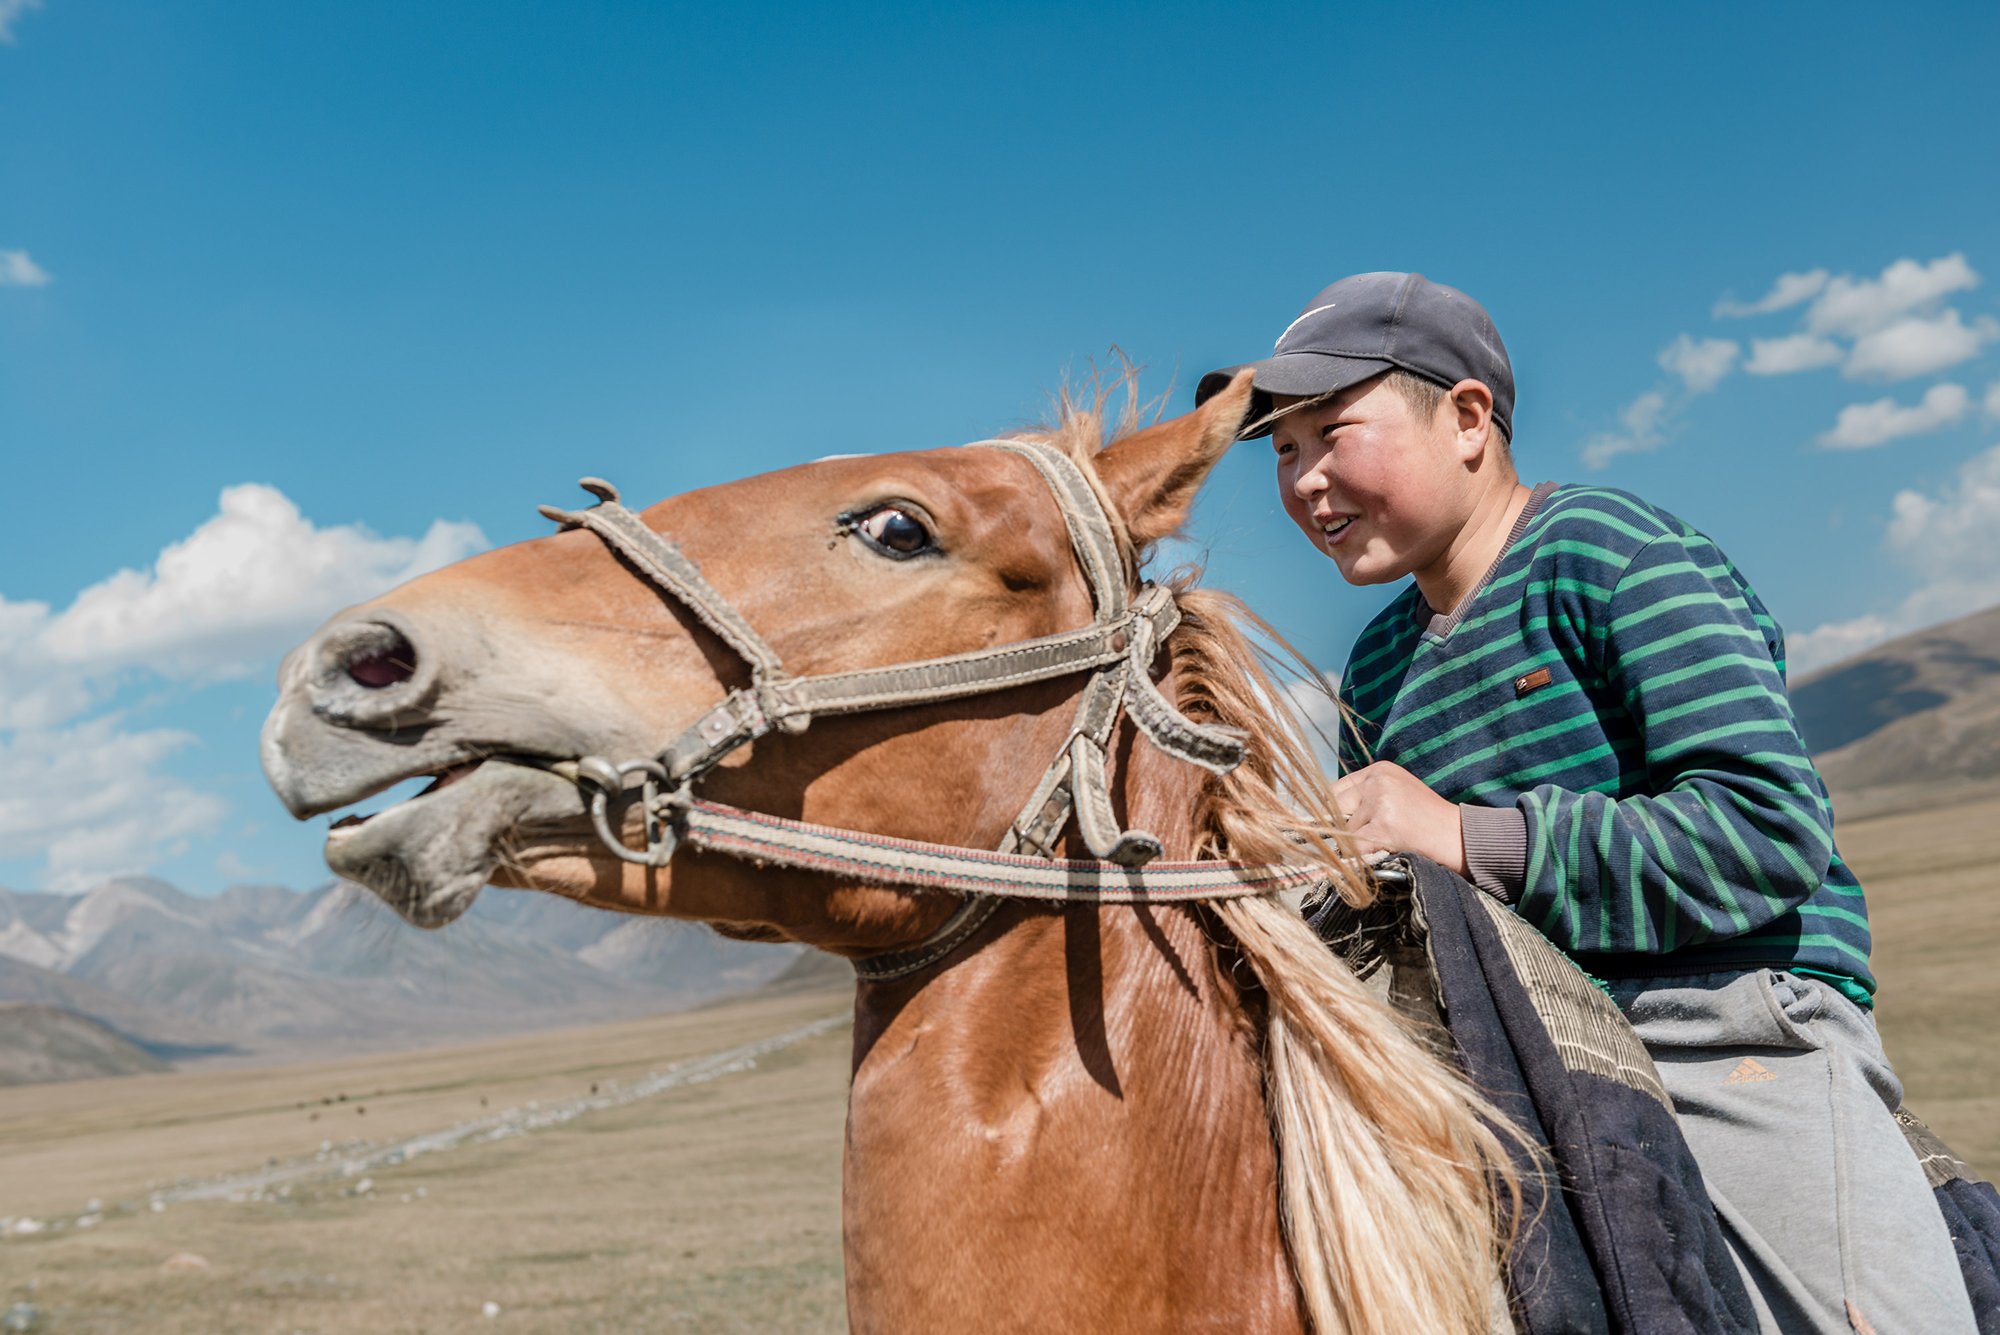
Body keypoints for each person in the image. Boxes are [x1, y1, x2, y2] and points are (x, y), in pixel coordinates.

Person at [1195, 272, 1977, 1334]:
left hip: (1724, 1024)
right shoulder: (1376, 665)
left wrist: (1461, 836)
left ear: (1467, 418)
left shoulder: (1609, 556)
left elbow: (1765, 829)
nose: (1301, 482)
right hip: (1510, 1058)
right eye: (1282, 454)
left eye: (1331, 433)